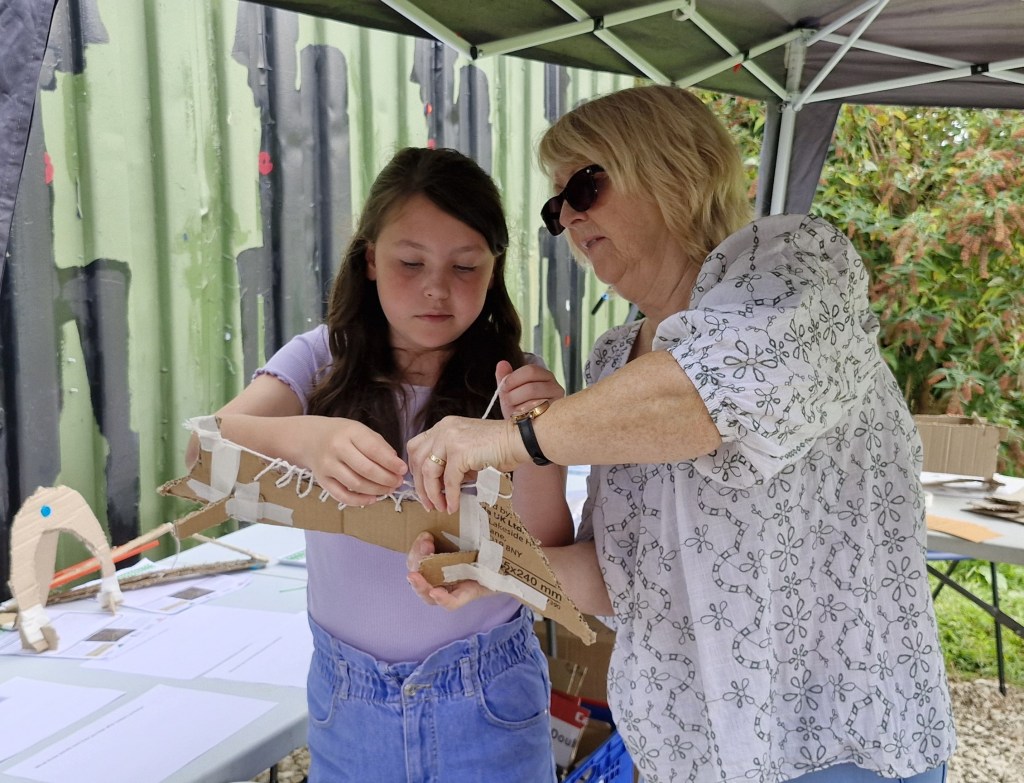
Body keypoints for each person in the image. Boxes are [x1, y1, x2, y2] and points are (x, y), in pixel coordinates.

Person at [405, 86, 956, 783]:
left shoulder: (796, 269)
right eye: (555, 206)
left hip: (839, 742)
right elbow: (622, 577)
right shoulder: (614, 359)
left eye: (584, 186)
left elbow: (708, 395)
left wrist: (520, 440)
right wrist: (491, 566)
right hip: (690, 752)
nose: (567, 216)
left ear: (677, 168)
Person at [188, 147, 573, 783]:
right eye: (410, 262)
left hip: (486, 697)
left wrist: (537, 441)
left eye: (465, 266)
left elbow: (548, 552)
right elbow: (201, 454)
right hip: (350, 701)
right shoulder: (321, 361)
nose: (436, 288)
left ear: (494, 269)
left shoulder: (514, 381)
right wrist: (306, 440)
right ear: (369, 259)